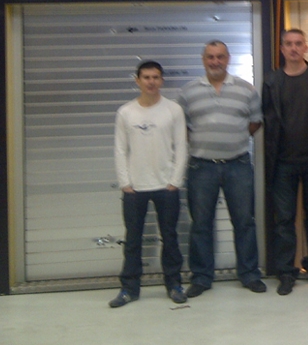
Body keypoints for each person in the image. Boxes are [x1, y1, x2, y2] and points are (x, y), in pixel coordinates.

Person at [178, 41, 265, 298]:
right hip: (201, 166)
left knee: (244, 222)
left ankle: (249, 274)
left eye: (220, 57)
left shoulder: (246, 89)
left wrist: (233, 139)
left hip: (237, 165)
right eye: (210, 57)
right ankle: (201, 278)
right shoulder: (188, 92)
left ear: (228, 59)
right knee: (201, 224)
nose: (215, 61)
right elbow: (182, 126)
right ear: (203, 59)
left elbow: (255, 122)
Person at [109, 61, 188, 308]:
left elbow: (182, 147)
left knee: (170, 238)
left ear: (161, 80)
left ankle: (174, 285)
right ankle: (129, 289)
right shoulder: (126, 112)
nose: (151, 82)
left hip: (166, 187)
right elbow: (120, 150)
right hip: (135, 188)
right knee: (133, 240)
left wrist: (175, 181)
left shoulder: (173, 110)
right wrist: (125, 182)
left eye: (155, 77)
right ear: (137, 80)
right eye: (146, 77)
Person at [263, 28, 308, 296]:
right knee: (284, 219)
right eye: (289, 44)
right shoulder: (271, 81)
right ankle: (286, 271)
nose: (293, 48)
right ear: (282, 49)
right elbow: (267, 121)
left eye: (298, 43)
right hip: (282, 162)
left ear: (306, 47)